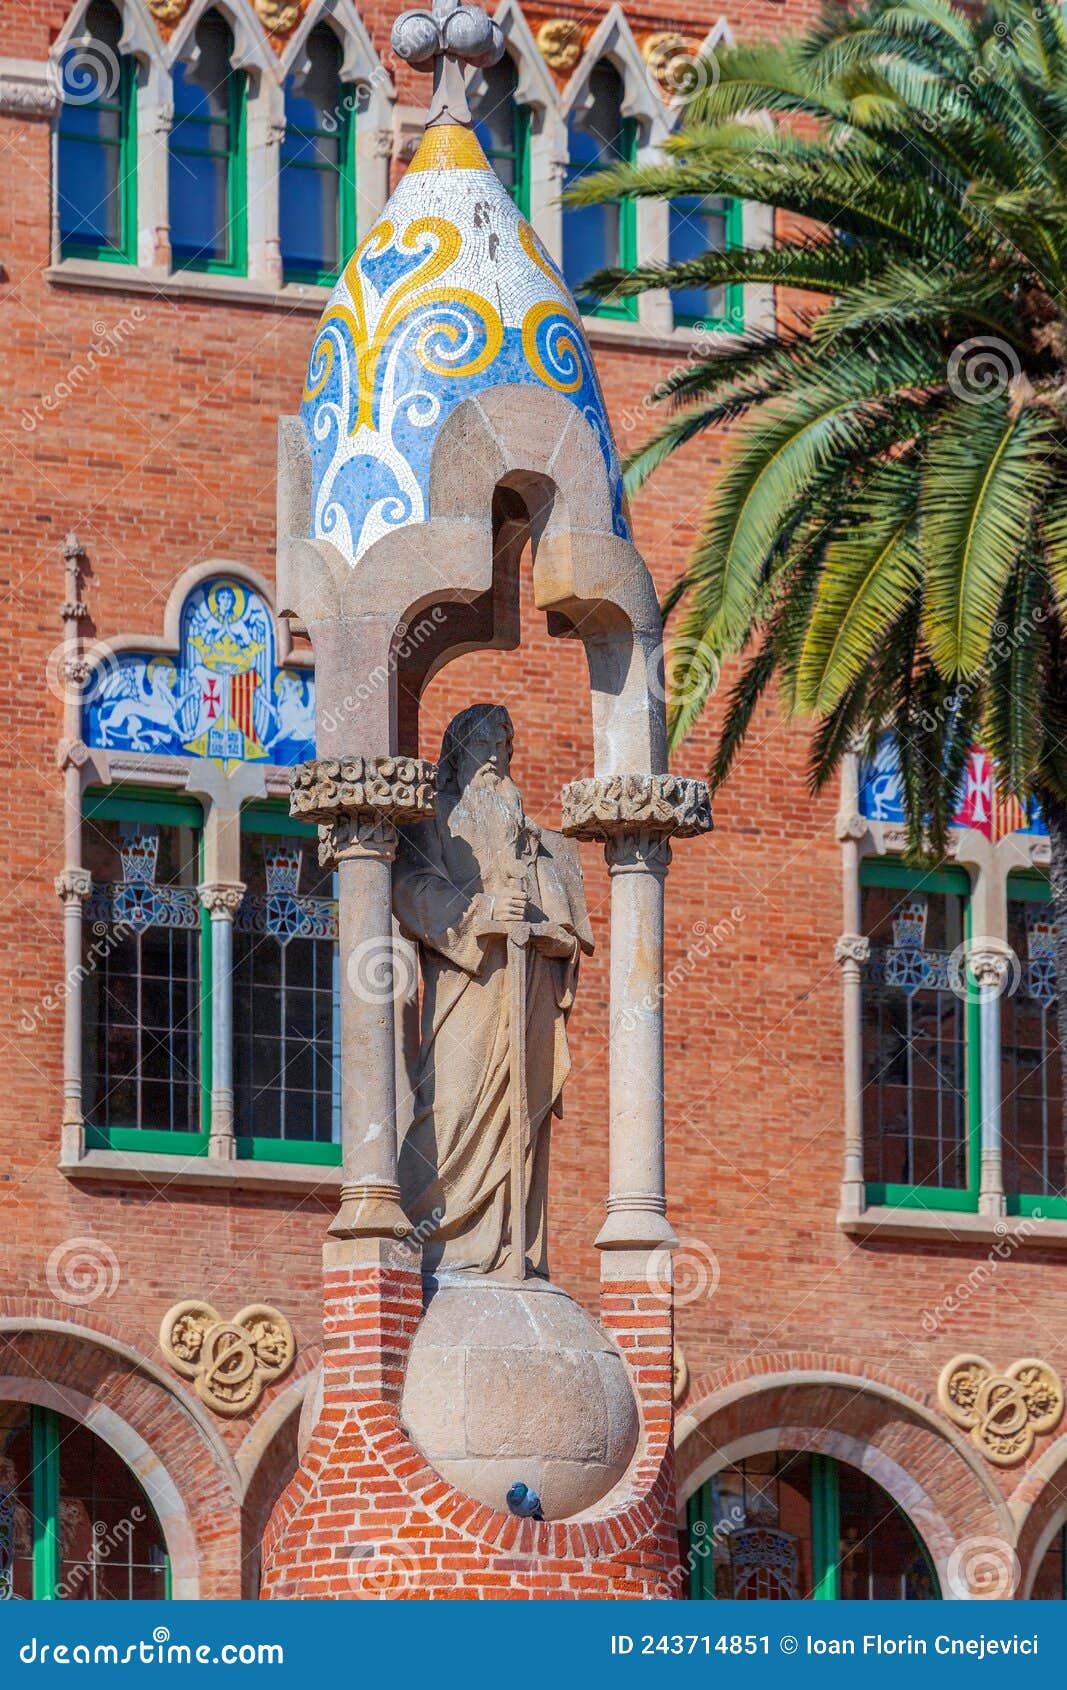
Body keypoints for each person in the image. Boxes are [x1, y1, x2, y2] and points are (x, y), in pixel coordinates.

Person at [393, 703, 593, 1277]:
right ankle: (433, 1236)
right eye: (483, 746)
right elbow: (410, 889)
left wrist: (544, 924)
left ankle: (509, 1243)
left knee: (519, 1113)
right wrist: (481, 911)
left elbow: (567, 922)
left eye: (504, 746)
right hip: (467, 988)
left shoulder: (531, 832)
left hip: (525, 990)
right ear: (457, 755)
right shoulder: (434, 822)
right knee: (450, 1104)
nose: (496, 758)